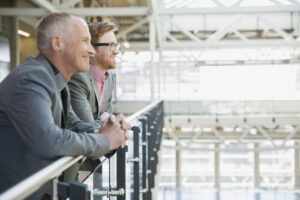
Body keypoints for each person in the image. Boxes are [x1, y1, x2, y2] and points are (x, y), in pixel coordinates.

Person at [0, 13, 127, 199]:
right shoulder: (32, 78)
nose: (91, 51)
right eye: (85, 41)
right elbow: (48, 140)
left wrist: (108, 130)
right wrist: (106, 141)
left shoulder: (55, 80)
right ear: (57, 43)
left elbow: (72, 123)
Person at [68, 22, 130, 181]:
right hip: (66, 170)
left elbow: (107, 122)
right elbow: (92, 134)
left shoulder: (109, 79)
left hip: (88, 168)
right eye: (110, 46)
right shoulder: (78, 78)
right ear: (92, 50)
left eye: (116, 45)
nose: (116, 51)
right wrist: (107, 123)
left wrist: (111, 125)